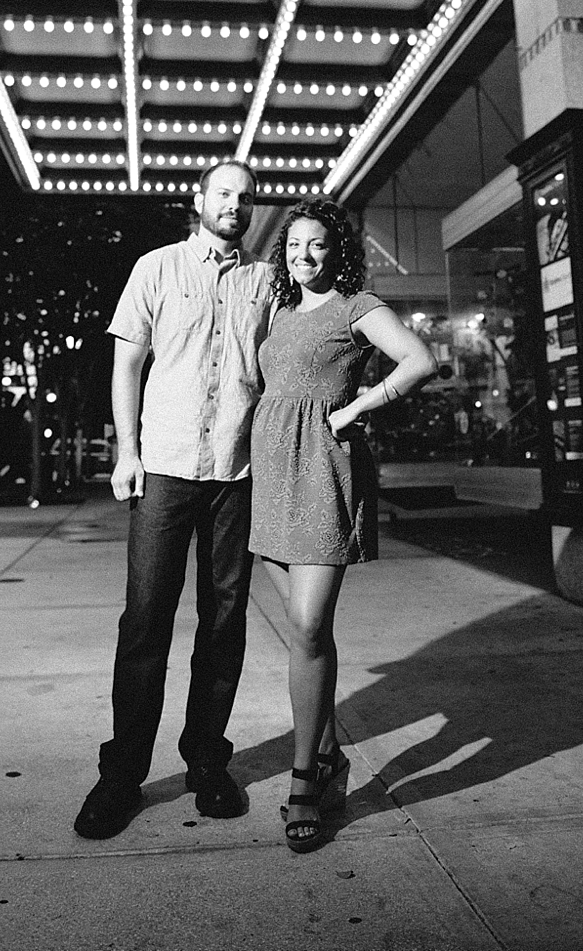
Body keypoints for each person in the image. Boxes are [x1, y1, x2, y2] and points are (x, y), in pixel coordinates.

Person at [75, 160, 271, 839]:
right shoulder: (155, 267)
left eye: (245, 197)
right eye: (224, 193)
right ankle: (120, 775)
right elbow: (126, 363)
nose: (235, 205)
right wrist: (125, 452)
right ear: (199, 201)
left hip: (237, 473)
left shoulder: (266, 281)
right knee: (145, 620)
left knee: (224, 622)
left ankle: (206, 762)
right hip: (163, 467)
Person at [249, 200, 433, 852]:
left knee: (305, 626)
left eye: (316, 244)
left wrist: (358, 404)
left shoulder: (356, 305)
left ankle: (305, 780)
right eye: (294, 244)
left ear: (337, 251)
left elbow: (418, 360)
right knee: (307, 633)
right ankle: (326, 755)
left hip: (323, 469)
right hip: (267, 472)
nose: (304, 255)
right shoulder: (275, 310)